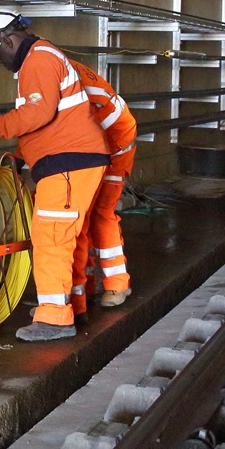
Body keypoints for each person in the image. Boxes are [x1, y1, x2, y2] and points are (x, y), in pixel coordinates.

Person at [0, 12, 109, 341]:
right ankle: (70, 303)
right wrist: (19, 156)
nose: (0, 62)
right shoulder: (44, 57)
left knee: (51, 238)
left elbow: (37, 113)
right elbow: (48, 123)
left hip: (68, 165)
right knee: (68, 238)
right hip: (73, 160)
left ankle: (55, 318)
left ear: (7, 40)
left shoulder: (38, 61)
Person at [67, 59, 137, 309]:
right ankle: (83, 284)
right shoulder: (57, 68)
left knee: (100, 214)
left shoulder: (58, 75)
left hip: (114, 145)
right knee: (80, 214)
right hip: (96, 143)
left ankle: (118, 283)